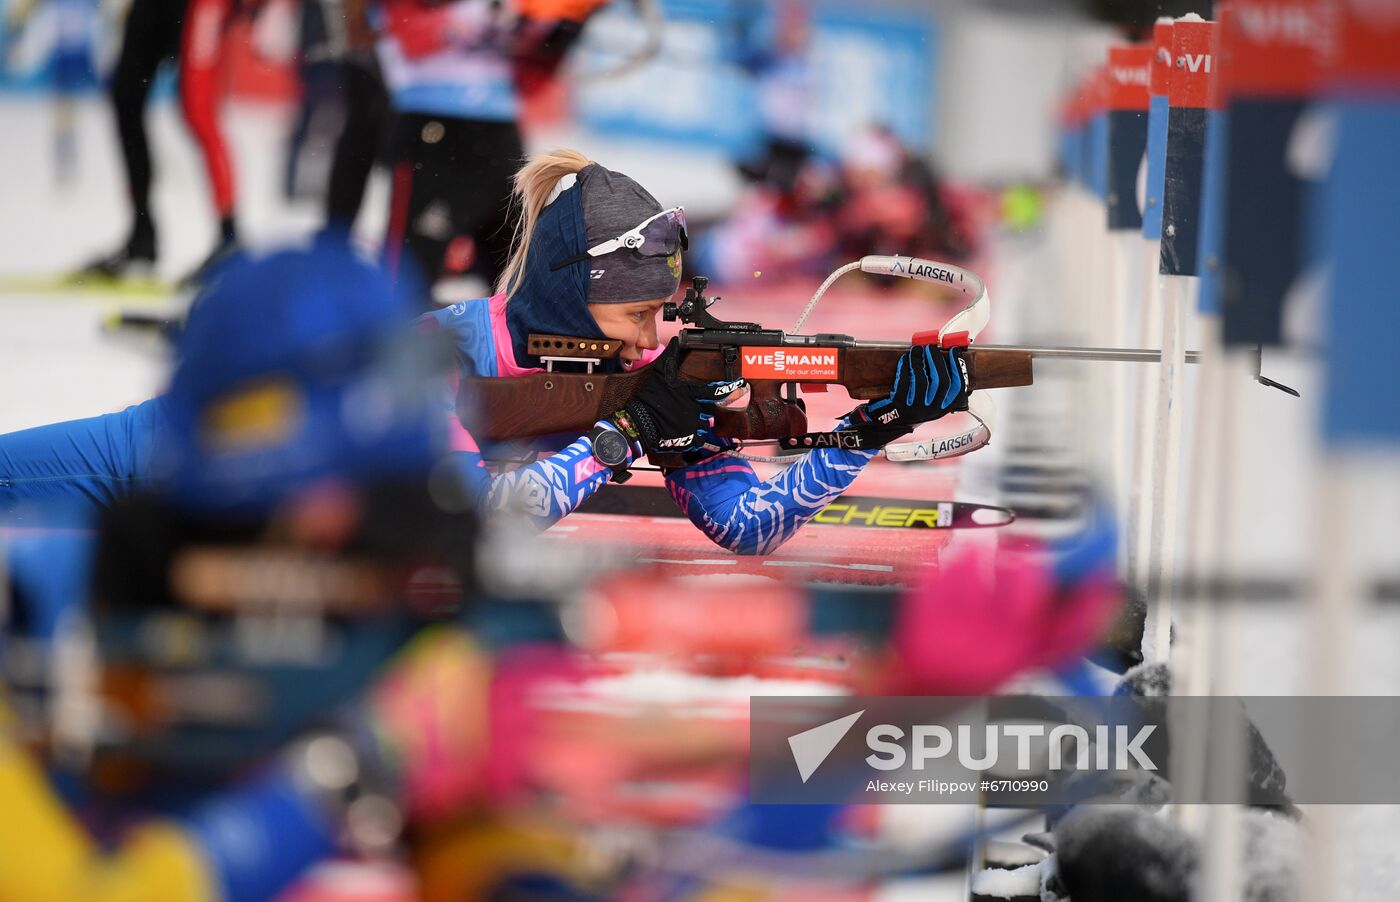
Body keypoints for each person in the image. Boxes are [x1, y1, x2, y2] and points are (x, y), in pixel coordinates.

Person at [0, 151, 969, 555]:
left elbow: (746, 525)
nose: (654, 333)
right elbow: (482, 517)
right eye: (636, 314)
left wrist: (870, 428)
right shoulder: (452, 345)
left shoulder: (656, 378)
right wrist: (624, 432)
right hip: (187, 448)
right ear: (567, 295)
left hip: (276, 542)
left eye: (664, 310)